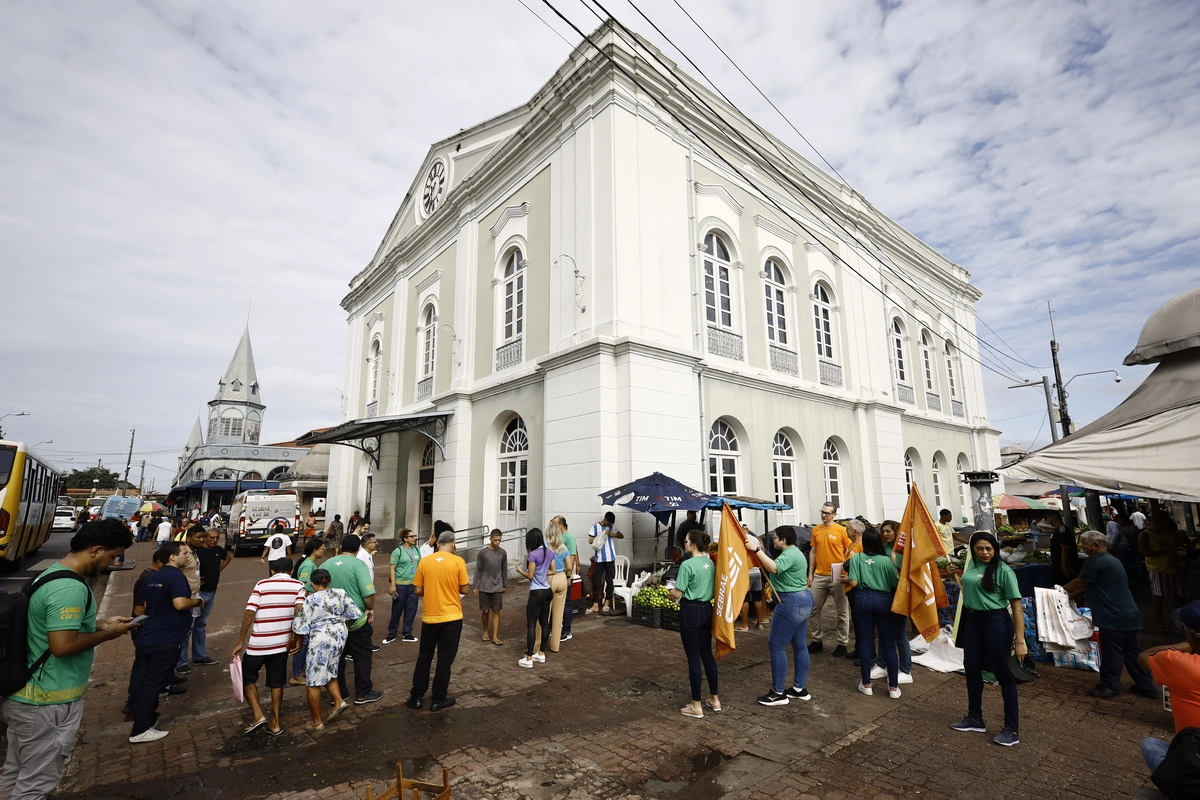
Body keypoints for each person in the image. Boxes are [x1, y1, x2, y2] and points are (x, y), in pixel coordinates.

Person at [0, 520, 137, 798]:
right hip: (48, 702)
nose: (112, 564)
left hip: (26, 697)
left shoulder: (49, 574)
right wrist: (108, 635)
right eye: (112, 556)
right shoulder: (70, 588)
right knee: (35, 786)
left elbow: (47, 626)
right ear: (95, 550)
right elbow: (62, 645)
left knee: (15, 772)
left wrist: (98, 624)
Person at [946, 531, 1025, 747]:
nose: (985, 552)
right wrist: (956, 575)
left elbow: (1017, 607)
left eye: (989, 549)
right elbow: (971, 588)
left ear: (995, 549)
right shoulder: (973, 565)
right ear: (973, 550)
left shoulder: (1003, 571)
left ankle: (1011, 729)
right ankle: (975, 718)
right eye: (980, 548)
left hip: (996, 622)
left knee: (1003, 673)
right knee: (971, 667)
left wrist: (1020, 641)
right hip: (973, 622)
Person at [1063, 531, 1157, 699]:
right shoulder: (1112, 560)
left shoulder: (1095, 561)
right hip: (1128, 614)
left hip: (1112, 617)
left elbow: (1082, 581)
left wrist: (1059, 590)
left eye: (1084, 544)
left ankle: (1109, 686)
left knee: (1112, 653)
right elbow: (1091, 585)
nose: (1082, 547)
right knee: (1132, 653)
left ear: (1095, 545)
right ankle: (1147, 686)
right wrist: (1067, 596)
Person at [128, 541, 205, 743]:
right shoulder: (176, 576)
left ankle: (144, 718)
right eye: (184, 553)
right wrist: (198, 602)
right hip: (166, 638)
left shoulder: (154, 576)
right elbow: (180, 603)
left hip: (149, 635)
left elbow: (147, 606)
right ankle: (140, 729)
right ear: (172, 556)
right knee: (154, 683)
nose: (187, 556)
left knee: (146, 679)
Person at [230, 558, 306, 735]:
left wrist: (241, 641)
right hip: (281, 645)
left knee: (246, 678)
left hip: (258, 644)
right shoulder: (298, 585)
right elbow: (300, 611)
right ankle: (276, 723)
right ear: (291, 571)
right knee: (277, 682)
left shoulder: (261, 584)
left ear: (272, 571)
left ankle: (258, 715)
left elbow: (249, 613)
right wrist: (297, 638)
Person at [746, 526, 813, 706]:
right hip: (802, 600)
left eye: (775, 538)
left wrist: (757, 549)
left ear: (783, 540)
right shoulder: (795, 553)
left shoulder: (789, 554)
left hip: (791, 603)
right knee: (799, 645)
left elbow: (774, 568)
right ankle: (799, 688)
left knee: (776, 644)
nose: (773, 540)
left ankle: (778, 693)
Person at [290, 568, 362, 732]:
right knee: (329, 670)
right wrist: (344, 628)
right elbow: (354, 613)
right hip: (339, 637)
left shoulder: (311, 599)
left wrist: (297, 642)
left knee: (312, 682)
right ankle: (339, 702)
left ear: (313, 584)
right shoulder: (340, 593)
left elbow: (300, 625)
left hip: (320, 640)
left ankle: (317, 722)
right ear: (328, 581)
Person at [407, 530, 470, 712]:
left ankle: (417, 696)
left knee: (424, 657)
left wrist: (432, 590)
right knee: (444, 659)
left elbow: (417, 590)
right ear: (453, 543)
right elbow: (465, 589)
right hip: (452, 617)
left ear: (438, 543)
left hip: (430, 616)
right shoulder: (458, 561)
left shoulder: (425, 561)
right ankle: (438, 699)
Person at [1137, 600, 1200, 772]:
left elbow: (1143, 657)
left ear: (1190, 635)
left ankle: (1178, 784)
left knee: (1150, 745)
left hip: (1193, 759)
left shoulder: (1180, 663)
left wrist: (1187, 645)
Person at [323, 534, 383, 705]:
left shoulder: (326, 564)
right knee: (362, 655)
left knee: (337, 658)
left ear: (341, 547)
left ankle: (340, 692)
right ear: (358, 548)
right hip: (356, 620)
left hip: (333, 621)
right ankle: (363, 692)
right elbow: (368, 592)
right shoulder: (358, 564)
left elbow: (312, 589)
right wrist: (370, 608)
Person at [668, 528, 720, 719]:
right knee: (707, 654)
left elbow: (678, 593)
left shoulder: (687, 565)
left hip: (690, 610)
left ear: (694, 544)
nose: (685, 544)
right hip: (707, 609)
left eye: (687, 541)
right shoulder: (710, 562)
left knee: (693, 657)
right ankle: (715, 699)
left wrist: (668, 591)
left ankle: (696, 705)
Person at [846, 527, 902, 698]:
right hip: (883, 599)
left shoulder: (856, 558)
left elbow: (853, 583)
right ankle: (893, 687)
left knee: (865, 642)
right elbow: (894, 583)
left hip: (862, 598)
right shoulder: (886, 560)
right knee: (888, 643)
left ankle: (866, 684)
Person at [807, 503, 852, 657]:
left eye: (827, 513)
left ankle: (842, 643)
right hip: (820, 573)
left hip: (838, 571)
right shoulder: (816, 530)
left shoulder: (842, 530)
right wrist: (810, 573)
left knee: (842, 609)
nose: (824, 515)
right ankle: (817, 639)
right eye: (822, 512)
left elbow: (848, 550)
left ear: (834, 514)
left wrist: (847, 572)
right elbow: (813, 551)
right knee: (813, 608)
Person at [871, 520, 913, 685]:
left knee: (899, 633)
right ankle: (882, 664)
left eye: (888, 531)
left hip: (898, 594)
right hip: (884, 593)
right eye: (883, 531)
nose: (885, 534)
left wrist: (894, 565)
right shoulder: (884, 547)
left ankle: (906, 669)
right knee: (883, 630)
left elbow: (902, 574)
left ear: (896, 531)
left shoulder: (902, 550)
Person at [1140, 513, 1189, 633]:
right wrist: (1162, 550)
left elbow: (1177, 545)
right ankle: (1160, 622)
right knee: (1159, 596)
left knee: (1179, 596)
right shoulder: (1145, 535)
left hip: (1174, 568)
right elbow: (1143, 552)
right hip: (1157, 569)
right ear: (1157, 522)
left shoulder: (1167, 534)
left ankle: (1181, 622)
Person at [289, 538, 326, 685]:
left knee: (306, 640)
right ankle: (296, 674)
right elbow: (302, 587)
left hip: (307, 607)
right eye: (322, 548)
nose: (324, 550)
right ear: (314, 550)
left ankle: (302, 669)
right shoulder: (308, 565)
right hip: (304, 608)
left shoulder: (309, 563)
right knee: (302, 641)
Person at [518, 528, 556, 668]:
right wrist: (542, 573)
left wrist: (520, 571)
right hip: (547, 590)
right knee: (545, 623)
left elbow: (530, 575)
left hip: (536, 591)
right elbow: (553, 570)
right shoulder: (549, 552)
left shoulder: (533, 554)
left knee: (531, 624)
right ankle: (541, 653)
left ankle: (528, 658)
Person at [173, 526, 207, 676]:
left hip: (195, 595)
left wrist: (196, 579)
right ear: (188, 538)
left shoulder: (194, 552)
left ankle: (197, 657)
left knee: (195, 627)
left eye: (203, 537)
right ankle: (180, 663)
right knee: (185, 631)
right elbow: (175, 573)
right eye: (198, 537)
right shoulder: (184, 554)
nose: (202, 540)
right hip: (185, 599)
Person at [384, 529, 422, 645]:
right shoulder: (398, 551)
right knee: (397, 609)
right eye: (412, 536)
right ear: (405, 538)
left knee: (411, 609)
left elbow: (420, 565)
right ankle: (392, 633)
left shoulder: (417, 549)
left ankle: (407, 633)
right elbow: (392, 568)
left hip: (413, 585)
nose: (414, 538)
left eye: (415, 536)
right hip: (401, 585)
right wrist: (393, 585)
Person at [472, 529, 507, 646]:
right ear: (490, 539)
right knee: (485, 610)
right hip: (484, 586)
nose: (497, 542)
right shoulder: (483, 553)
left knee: (496, 611)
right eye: (495, 540)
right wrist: (475, 586)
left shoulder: (502, 553)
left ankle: (495, 636)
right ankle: (485, 631)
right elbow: (478, 570)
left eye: (499, 540)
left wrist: (505, 585)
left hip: (497, 586)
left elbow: (504, 569)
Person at [588, 512, 623, 614]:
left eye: (611, 524)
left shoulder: (612, 527)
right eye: (608, 523)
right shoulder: (595, 527)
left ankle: (607, 602)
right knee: (596, 580)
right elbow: (590, 541)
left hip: (610, 557)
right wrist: (601, 535)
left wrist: (613, 535)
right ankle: (595, 604)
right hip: (599, 558)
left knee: (609, 580)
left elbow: (621, 536)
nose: (609, 525)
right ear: (605, 519)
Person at [551, 515, 578, 640]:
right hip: (555, 574)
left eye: (555, 524)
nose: (552, 527)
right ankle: (554, 627)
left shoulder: (569, 538)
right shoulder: (556, 537)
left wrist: (568, 577)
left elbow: (571, 558)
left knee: (566, 603)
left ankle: (567, 630)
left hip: (564, 574)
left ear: (561, 525)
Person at [546, 524, 570, 652]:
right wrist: (566, 573)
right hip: (561, 577)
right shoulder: (564, 548)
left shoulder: (546, 547)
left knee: (545, 613)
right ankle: (555, 646)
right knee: (559, 613)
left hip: (550, 577)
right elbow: (570, 566)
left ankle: (538, 645)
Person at [1047, 511, 1081, 586]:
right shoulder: (1056, 530)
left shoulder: (1062, 530)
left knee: (1066, 585)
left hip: (1064, 565)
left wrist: (1064, 566)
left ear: (1051, 518)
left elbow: (1065, 549)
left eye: (1048, 519)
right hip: (1057, 564)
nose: (1048, 521)